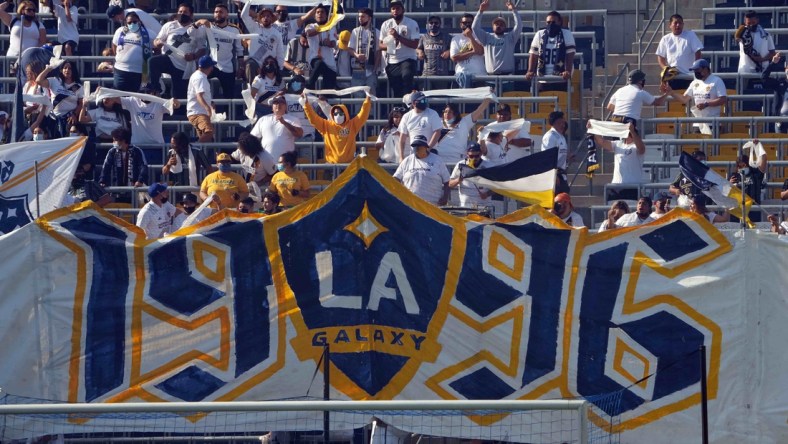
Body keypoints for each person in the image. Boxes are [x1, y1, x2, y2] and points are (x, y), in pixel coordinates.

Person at [148, 4, 207, 99]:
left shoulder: (198, 30)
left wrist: (194, 56)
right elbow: (156, 40)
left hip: (183, 65)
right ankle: (155, 89)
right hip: (168, 59)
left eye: (185, 12)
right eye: (180, 12)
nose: (182, 14)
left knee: (177, 96)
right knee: (153, 61)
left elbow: (202, 49)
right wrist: (158, 43)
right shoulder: (169, 25)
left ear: (191, 15)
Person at [303, 94, 373, 164]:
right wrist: (306, 104)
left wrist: (367, 100)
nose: (338, 115)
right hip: (330, 166)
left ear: (345, 114)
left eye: (340, 113)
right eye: (335, 114)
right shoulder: (326, 125)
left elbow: (363, 114)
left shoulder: (353, 125)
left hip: (348, 166)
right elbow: (313, 118)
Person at [664, 59, 727, 135]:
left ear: (706, 69)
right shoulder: (694, 83)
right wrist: (672, 93)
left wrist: (706, 104)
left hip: (712, 122)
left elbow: (723, 99)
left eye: (697, 70)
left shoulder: (717, 80)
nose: (695, 72)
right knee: (697, 146)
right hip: (697, 124)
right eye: (694, 70)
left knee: (711, 146)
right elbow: (684, 99)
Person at [593, 122, 646, 201]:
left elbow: (641, 149)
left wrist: (632, 131)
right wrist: (594, 128)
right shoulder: (618, 144)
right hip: (616, 186)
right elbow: (602, 142)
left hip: (632, 187)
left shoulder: (637, 145)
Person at [379, 0, 420, 99]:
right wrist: (392, 45)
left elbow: (415, 44)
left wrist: (398, 37)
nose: (395, 11)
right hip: (392, 61)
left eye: (397, 8)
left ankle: (409, 107)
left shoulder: (411, 23)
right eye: (393, 8)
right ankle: (400, 111)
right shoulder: (386, 24)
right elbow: (380, 45)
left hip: (408, 58)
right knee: (397, 90)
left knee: (407, 79)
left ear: (403, 10)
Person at [526, 11, 576, 91]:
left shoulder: (566, 34)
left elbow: (570, 54)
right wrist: (530, 71)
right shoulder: (540, 34)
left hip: (560, 78)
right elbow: (534, 54)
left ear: (560, 22)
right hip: (543, 78)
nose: (551, 25)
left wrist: (568, 71)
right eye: (548, 22)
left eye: (553, 22)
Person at [394, 135, 450, 206]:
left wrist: (445, 197)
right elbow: (396, 178)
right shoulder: (407, 160)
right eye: (414, 146)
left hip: (433, 205)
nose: (416, 148)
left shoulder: (437, 160)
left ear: (425, 147)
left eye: (419, 146)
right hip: (410, 203)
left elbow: (447, 182)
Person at [203, 4, 243, 101]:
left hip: (227, 66)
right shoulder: (208, 27)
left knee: (228, 96)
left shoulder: (234, 29)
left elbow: (239, 50)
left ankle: (228, 114)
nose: (218, 14)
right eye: (216, 12)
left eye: (221, 12)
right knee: (199, 84)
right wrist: (199, 22)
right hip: (210, 65)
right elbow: (192, 33)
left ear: (227, 15)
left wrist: (241, 67)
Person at [472, 0, 522, 76]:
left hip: (508, 77)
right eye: (496, 24)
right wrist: (480, 11)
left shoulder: (511, 38)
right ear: (492, 27)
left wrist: (514, 10)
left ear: (505, 27)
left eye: (501, 24)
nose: (499, 26)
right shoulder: (486, 37)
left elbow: (519, 26)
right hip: (490, 77)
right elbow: (474, 27)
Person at [36, 60, 83, 138]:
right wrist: (48, 69)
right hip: (53, 117)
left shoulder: (78, 87)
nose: (67, 70)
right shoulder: (55, 81)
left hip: (69, 118)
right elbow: (38, 81)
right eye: (65, 68)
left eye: (70, 68)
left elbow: (81, 103)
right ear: (61, 70)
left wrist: (74, 114)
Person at [239, 4, 285, 85]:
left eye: (268, 16)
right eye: (263, 16)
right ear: (260, 18)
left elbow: (280, 53)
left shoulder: (277, 34)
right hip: (255, 62)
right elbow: (243, 15)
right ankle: (252, 91)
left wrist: (280, 69)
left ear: (272, 18)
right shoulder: (255, 27)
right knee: (250, 65)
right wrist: (248, 2)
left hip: (269, 64)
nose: (266, 18)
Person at [99, 127, 148, 201]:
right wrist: (102, 180)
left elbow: (143, 167)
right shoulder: (112, 152)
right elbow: (106, 167)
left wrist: (140, 180)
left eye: (115, 140)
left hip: (134, 190)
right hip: (116, 191)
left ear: (123, 141)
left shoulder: (137, 151)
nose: (113, 142)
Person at [437, 99, 491, 166]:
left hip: (457, 162)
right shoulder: (437, 122)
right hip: (440, 162)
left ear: (455, 113)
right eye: (445, 111)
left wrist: (488, 98)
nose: (447, 114)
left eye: (450, 112)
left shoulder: (464, 122)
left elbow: (479, 110)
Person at [250, 95, 303, 162]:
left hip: (286, 163)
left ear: (286, 106)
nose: (278, 104)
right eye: (275, 103)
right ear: (272, 107)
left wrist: (284, 123)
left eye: (281, 102)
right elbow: (253, 138)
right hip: (266, 162)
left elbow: (299, 134)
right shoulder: (263, 119)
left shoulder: (293, 119)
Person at [656, 14, 703, 89]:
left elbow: (698, 52)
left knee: (688, 99)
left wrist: (695, 67)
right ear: (670, 25)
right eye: (675, 23)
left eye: (680, 23)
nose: (678, 25)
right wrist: (665, 69)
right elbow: (660, 57)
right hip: (673, 77)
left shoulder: (690, 35)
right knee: (674, 100)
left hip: (689, 76)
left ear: (683, 24)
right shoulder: (665, 39)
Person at [111, 11, 152, 93]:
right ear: (126, 23)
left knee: (136, 99)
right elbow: (114, 45)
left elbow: (157, 49)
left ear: (139, 22)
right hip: (121, 70)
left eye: (134, 22)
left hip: (140, 72)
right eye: (129, 22)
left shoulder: (149, 33)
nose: (132, 24)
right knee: (120, 98)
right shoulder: (120, 31)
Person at [398, 91, 442, 160]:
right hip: (414, 152)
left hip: (430, 152)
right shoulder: (406, 116)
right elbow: (402, 139)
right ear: (414, 103)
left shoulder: (432, 113)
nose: (424, 102)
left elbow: (437, 132)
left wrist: (428, 148)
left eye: (425, 100)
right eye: (422, 101)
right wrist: (401, 156)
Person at [0, 1, 46, 65]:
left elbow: (42, 42)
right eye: (29, 10)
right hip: (12, 59)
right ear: (22, 10)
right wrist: (8, 2)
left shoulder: (38, 24)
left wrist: (30, 54)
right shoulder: (13, 20)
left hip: (31, 61)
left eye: (33, 10)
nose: (32, 12)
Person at [304, 4, 338, 91]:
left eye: (322, 12)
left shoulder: (331, 27)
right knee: (319, 64)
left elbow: (333, 43)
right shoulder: (310, 26)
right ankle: (308, 87)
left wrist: (329, 43)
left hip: (329, 62)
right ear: (315, 15)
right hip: (315, 58)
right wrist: (322, 28)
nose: (320, 14)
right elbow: (309, 33)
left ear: (326, 15)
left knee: (327, 94)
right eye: (318, 12)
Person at [348, 8, 380, 95]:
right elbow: (350, 49)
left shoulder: (376, 32)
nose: (360, 19)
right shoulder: (355, 31)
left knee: (371, 100)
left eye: (363, 16)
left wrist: (375, 69)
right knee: (358, 100)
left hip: (371, 70)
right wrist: (356, 55)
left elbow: (378, 52)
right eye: (359, 17)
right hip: (357, 70)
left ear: (369, 18)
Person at [448, 143, 491, 208]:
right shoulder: (460, 164)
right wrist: (458, 180)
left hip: (484, 207)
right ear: (467, 154)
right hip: (465, 207)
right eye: (471, 156)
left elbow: (498, 186)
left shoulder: (489, 166)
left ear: (481, 154)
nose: (474, 158)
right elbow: (450, 184)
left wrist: (487, 194)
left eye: (477, 156)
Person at [450, 13, 485, 89]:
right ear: (460, 24)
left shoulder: (480, 36)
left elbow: (480, 51)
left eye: (470, 23)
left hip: (479, 74)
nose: (467, 25)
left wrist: (470, 36)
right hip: (462, 74)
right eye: (465, 23)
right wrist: (472, 52)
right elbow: (454, 58)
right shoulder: (456, 39)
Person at [417, 15, 452, 90]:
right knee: (426, 98)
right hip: (427, 73)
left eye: (436, 23)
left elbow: (454, 48)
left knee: (441, 99)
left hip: (442, 74)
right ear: (428, 25)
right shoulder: (423, 37)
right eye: (431, 23)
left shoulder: (447, 37)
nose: (433, 25)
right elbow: (417, 48)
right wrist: (420, 52)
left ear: (440, 24)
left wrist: (449, 51)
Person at [735, 10, 776, 76]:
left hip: (762, 70)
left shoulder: (766, 34)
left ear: (757, 20)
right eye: (749, 23)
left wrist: (761, 59)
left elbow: (772, 53)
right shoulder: (742, 33)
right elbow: (737, 38)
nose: (751, 25)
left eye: (753, 22)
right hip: (745, 70)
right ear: (745, 22)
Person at [729, 152, 767, 221]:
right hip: (738, 210)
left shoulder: (755, 174)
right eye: (740, 166)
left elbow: (764, 160)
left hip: (753, 209)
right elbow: (726, 192)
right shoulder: (734, 176)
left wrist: (758, 147)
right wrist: (729, 184)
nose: (743, 168)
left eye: (745, 165)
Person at [187, 55, 216, 143]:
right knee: (209, 132)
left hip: (197, 112)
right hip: (199, 113)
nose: (212, 69)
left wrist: (210, 104)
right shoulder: (200, 77)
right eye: (211, 66)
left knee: (208, 140)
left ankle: (199, 154)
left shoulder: (197, 75)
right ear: (208, 66)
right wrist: (208, 108)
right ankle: (194, 148)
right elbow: (199, 96)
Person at [543, 111, 572, 193]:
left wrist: (567, 157)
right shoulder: (550, 137)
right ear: (553, 123)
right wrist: (554, 176)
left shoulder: (561, 136)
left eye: (563, 122)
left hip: (562, 175)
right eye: (560, 123)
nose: (563, 125)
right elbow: (547, 158)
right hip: (554, 176)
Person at [22, 61, 49, 140]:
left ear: (35, 72)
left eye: (29, 72)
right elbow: (23, 102)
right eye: (26, 72)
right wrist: (27, 110)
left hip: (40, 117)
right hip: (28, 116)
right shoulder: (27, 85)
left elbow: (45, 103)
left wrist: (37, 120)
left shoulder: (42, 86)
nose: (27, 74)